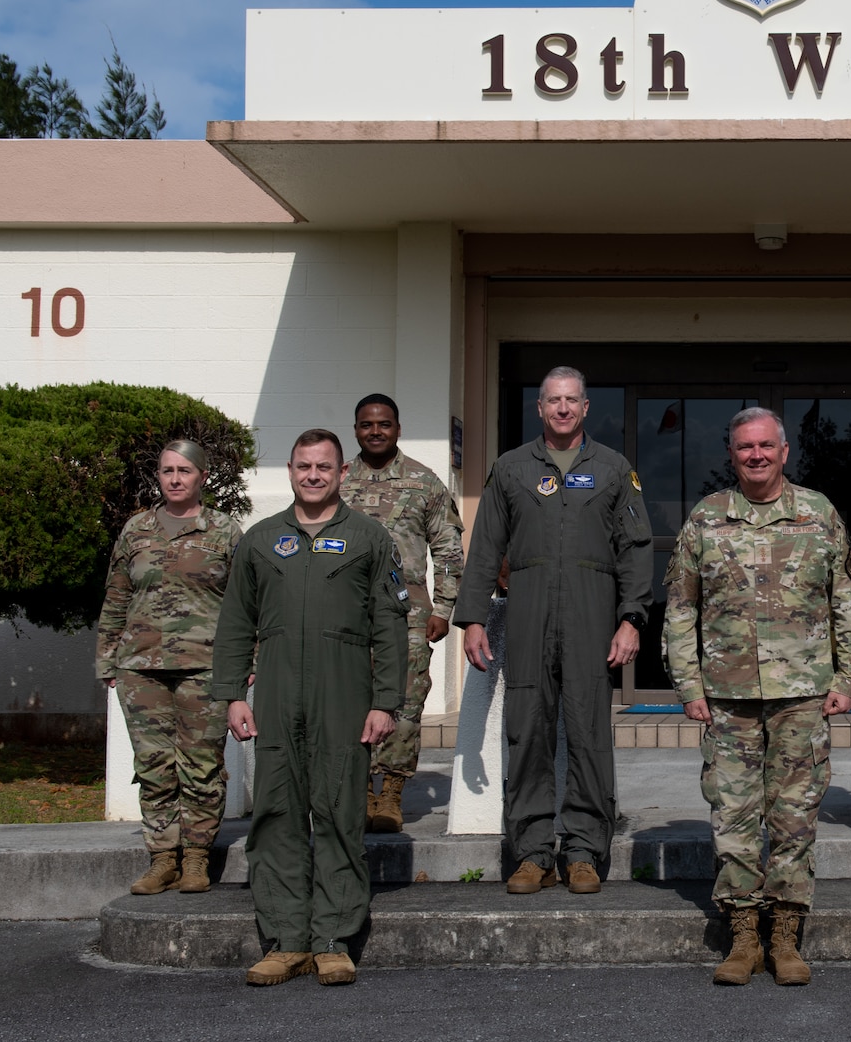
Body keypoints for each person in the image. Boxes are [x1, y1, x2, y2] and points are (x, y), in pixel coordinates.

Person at [665, 407, 851, 987]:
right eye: (743, 447)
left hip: (802, 695)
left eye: (765, 446)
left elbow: (847, 603)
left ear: (784, 451)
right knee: (732, 815)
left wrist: (850, 678)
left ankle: (785, 933)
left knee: (794, 817)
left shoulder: (817, 514)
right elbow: (681, 609)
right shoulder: (707, 518)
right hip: (726, 695)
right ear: (731, 454)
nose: (754, 455)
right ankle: (742, 935)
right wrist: (687, 685)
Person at [212, 430, 409, 988]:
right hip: (276, 689)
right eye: (304, 466)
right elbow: (234, 624)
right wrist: (232, 693)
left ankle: (333, 939)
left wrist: (386, 702)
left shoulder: (370, 538)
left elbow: (391, 626)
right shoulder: (260, 540)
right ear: (290, 470)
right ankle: (285, 940)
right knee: (275, 813)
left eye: (324, 466)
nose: (314, 475)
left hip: (343, 689)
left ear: (343, 472)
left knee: (340, 811)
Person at [455, 367, 652, 897]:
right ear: (540, 409)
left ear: (585, 408)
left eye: (572, 400)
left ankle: (584, 851)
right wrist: (474, 617)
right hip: (527, 612)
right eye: (553, 401)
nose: (563, 409)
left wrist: (631, 617)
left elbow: (635, 548)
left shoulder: (613, 468)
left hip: (592, 611)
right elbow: (485, 548)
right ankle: (532, 853)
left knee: (588, 733)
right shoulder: (512, 468)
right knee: (527, 731)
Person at [96, 440, 243, 898]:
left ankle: (197, 858)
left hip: (205, 666)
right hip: (141, 667)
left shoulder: (224, 531)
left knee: (200, 765)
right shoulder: (136, 529)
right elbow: (118, 594)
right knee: (154, 765)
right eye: (167, 471)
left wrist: (247, 660)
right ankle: (162, 858)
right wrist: (107, 656)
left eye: (184, 471)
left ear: (202, 477)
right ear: (157, 476)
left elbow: (246, 603)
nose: (175, 479)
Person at [344, 393, 465, 834]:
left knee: (406, 701)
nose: (375, 431)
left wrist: (445, 607)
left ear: (398, 428)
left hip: (408, 613)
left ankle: (391, 792)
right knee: (348, 700)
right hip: (345, 615)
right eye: (366, 424)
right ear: (355, 429)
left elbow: (449, 549)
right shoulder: (337, 481)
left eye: (384, 424)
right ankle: (357, 791)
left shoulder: (424, 482)